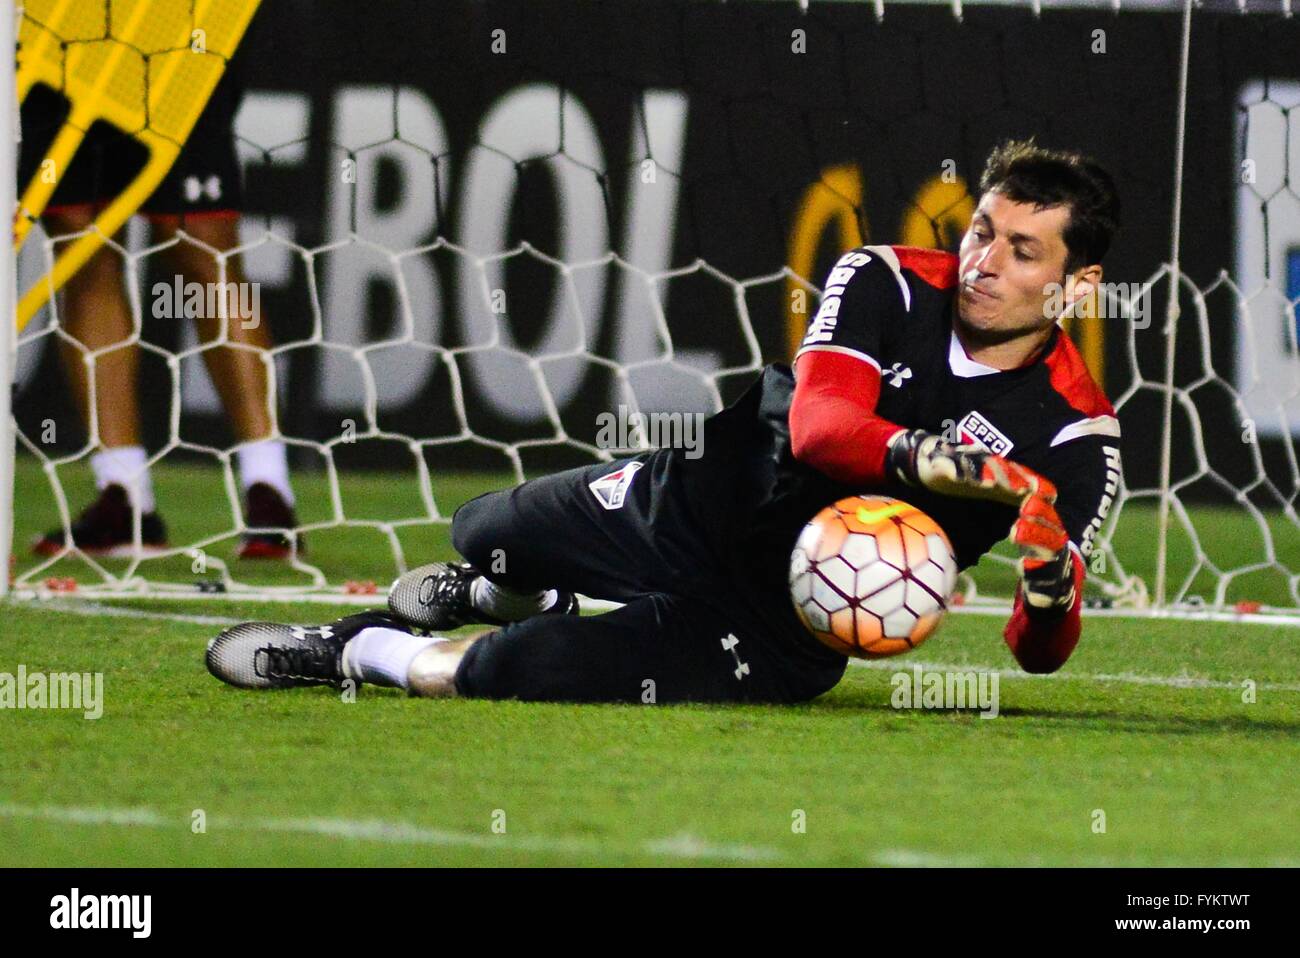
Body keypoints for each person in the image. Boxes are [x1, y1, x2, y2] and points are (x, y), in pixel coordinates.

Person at [205, 138, 1122, 704]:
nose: (981, 262)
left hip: (785, 624)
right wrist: (933, 460)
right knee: (486, 532)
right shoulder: (881, 276)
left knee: (533, 671)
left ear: (1078, 284)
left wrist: (1048, 585)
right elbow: (818, 431)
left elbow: (1041, 655)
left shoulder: (1078, 438)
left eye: (1021, 250)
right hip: (712, 493)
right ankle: (504, 588)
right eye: (980, 232)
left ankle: (358, 652)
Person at [20, 46, 299, 560]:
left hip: (174, 36)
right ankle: (124, 494)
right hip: (58, 38)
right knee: (81, 249)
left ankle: (270, 492)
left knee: (204, 250)